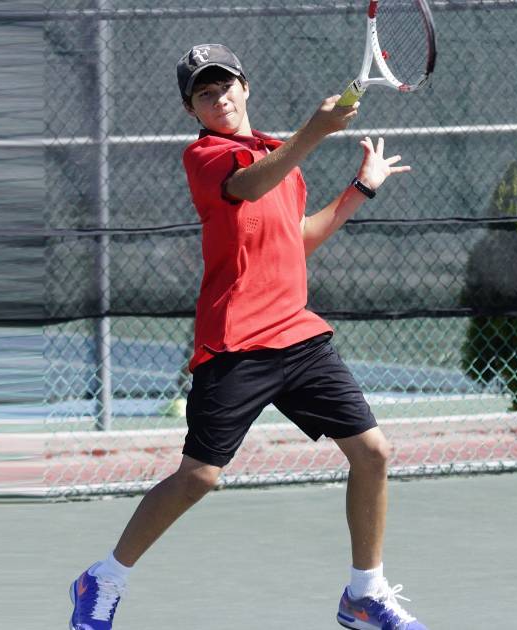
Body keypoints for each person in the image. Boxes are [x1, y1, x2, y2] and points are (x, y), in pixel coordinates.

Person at [69, 43, 426, 630]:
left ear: (245, 87)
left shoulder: (279, 156)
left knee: (373, 452)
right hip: (235, 343)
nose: (219, 99)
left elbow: (297, 239)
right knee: (199, 477)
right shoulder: (205, 156)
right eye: (204, 94)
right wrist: (315, 130)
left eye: (226, 86)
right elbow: (250, 186)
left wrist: (361, 188)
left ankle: (364, 594)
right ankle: (103, 578)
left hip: (298, 335)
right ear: (192, 110)